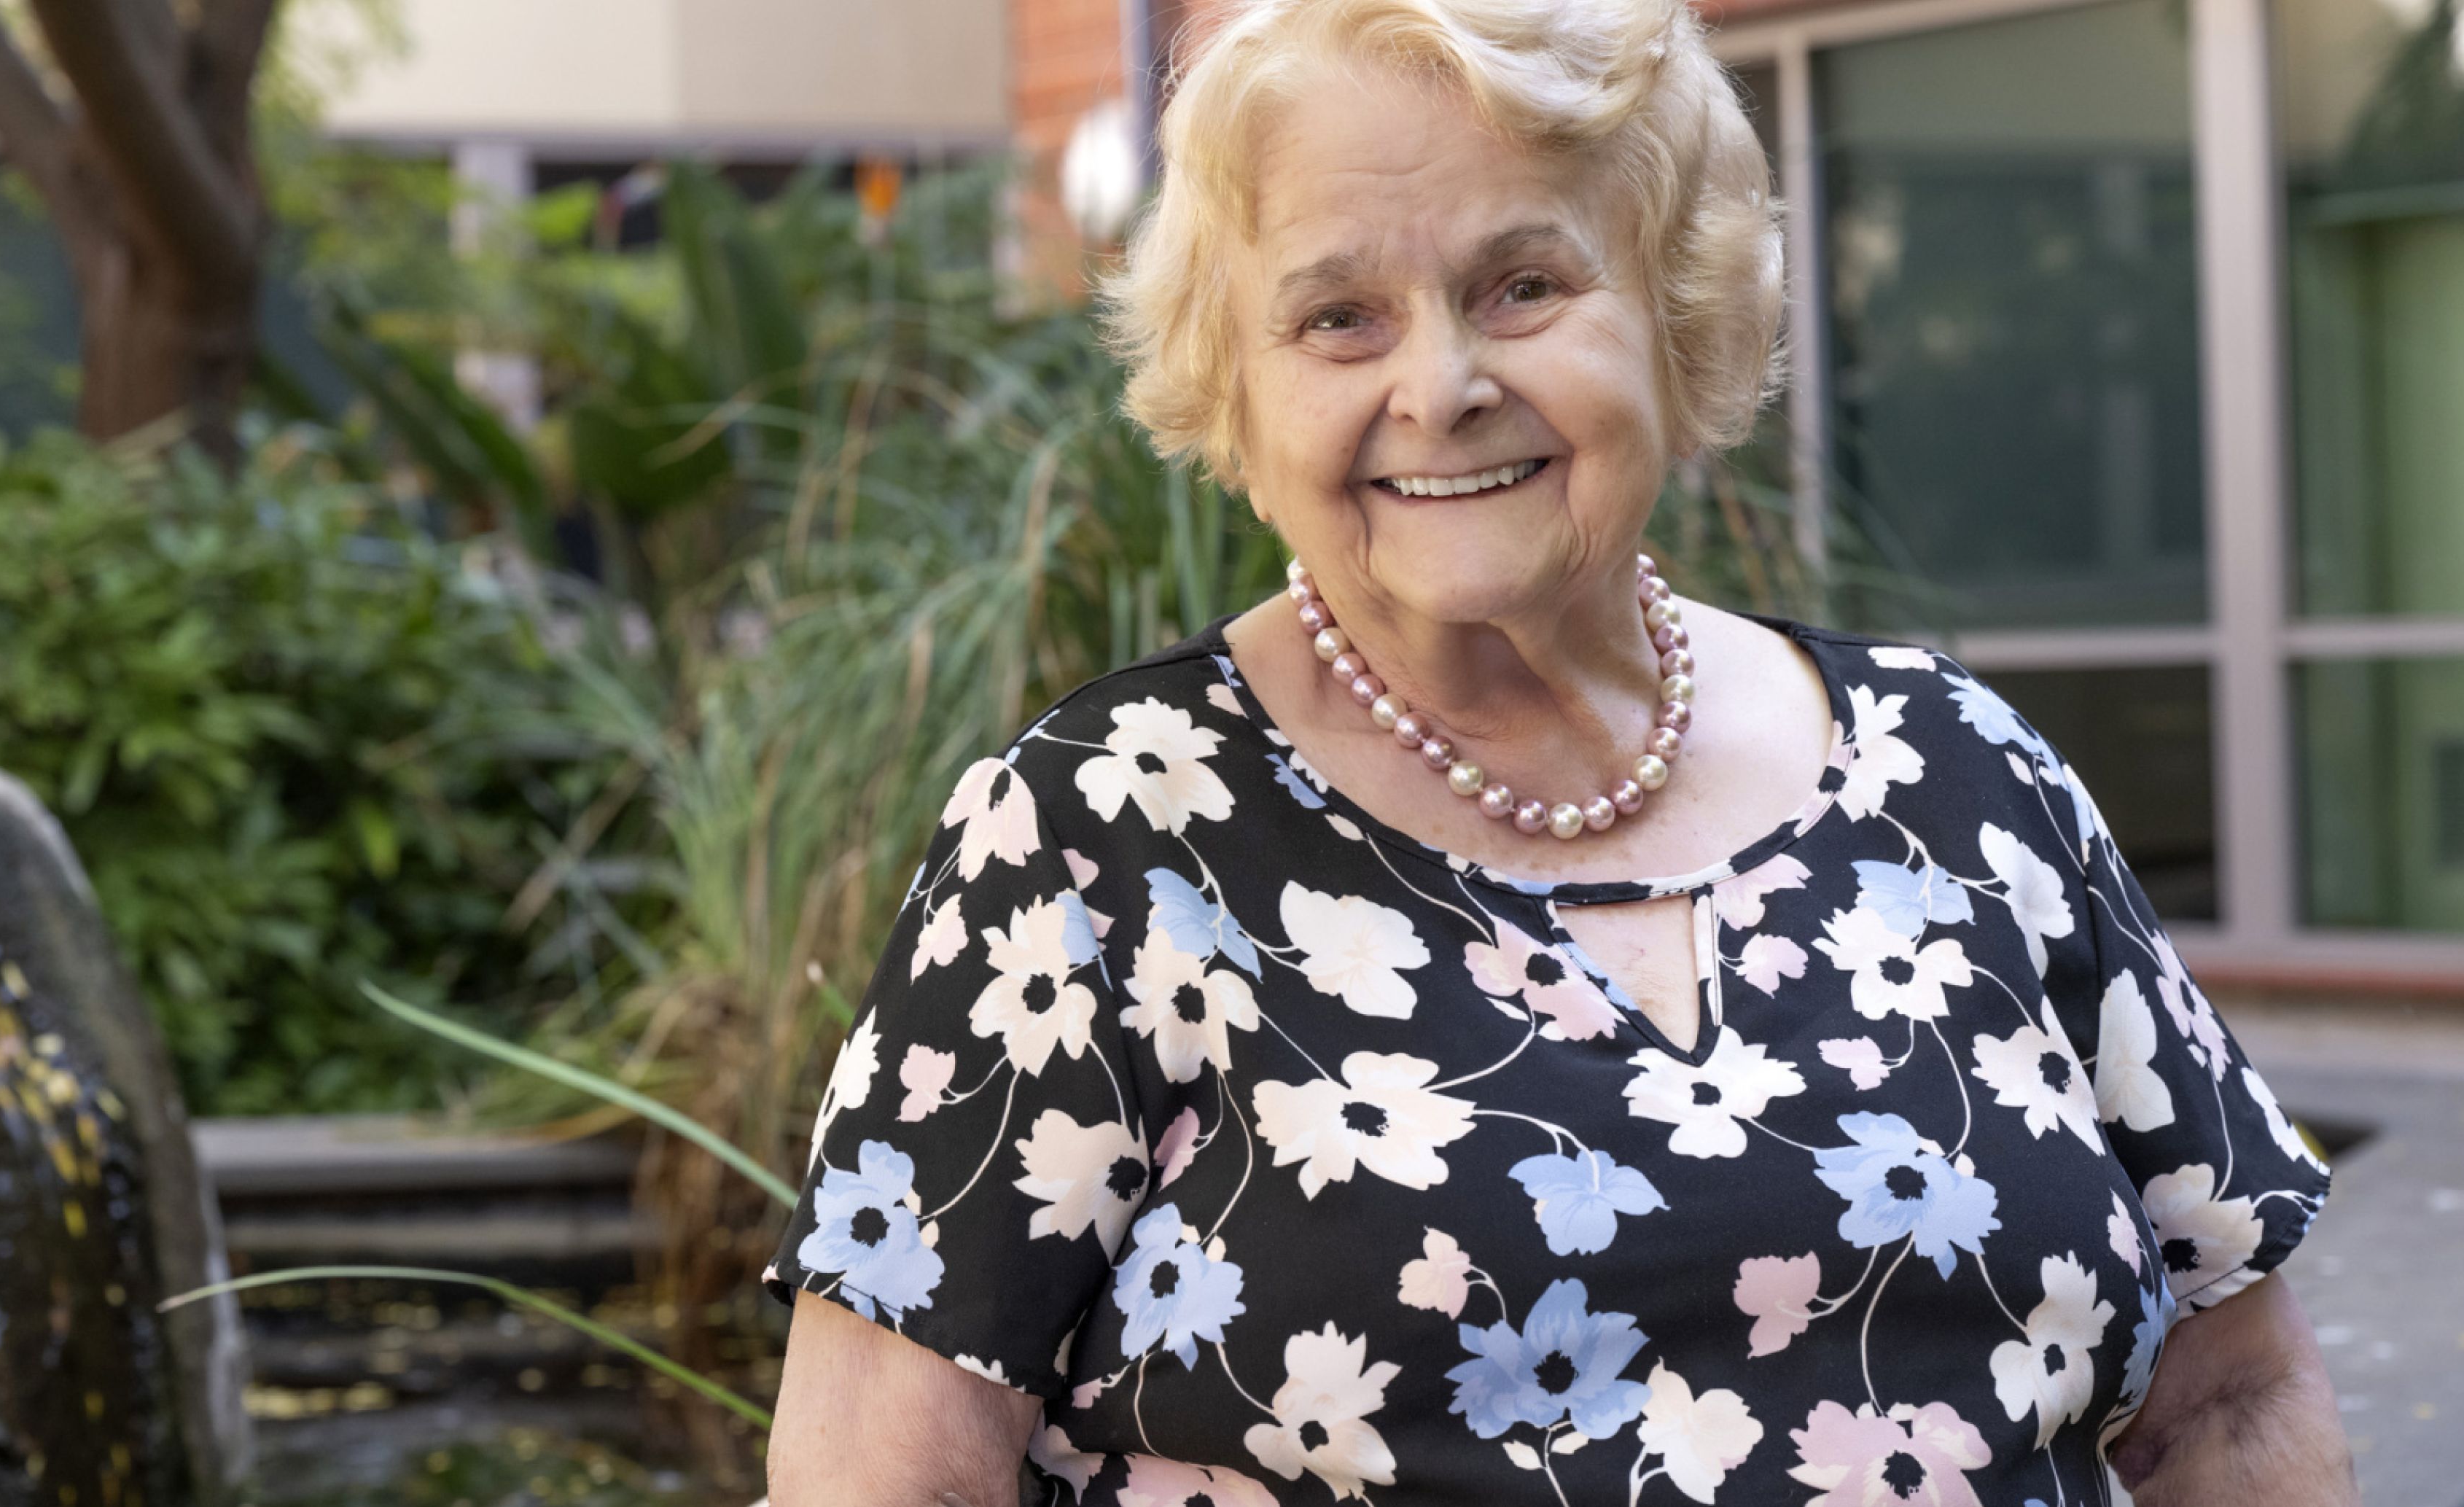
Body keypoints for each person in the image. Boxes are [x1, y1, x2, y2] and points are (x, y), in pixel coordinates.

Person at [763, 1, 2347, 1501]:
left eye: (1523, 284)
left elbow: (2234, 1399)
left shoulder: (1961, 772)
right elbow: (883, 1475)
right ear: (1236, 389)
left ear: (1677, 304)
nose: (1439, 387)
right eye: (1338, 316)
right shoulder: (1097, 838)